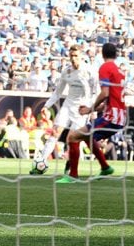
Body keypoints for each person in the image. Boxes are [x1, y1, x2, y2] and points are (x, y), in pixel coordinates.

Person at [58, 43, 125, 183]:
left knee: (73, 137)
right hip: (119, 116)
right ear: (116, 54)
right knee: (86, 136)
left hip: (111, 117)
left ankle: (73, 175)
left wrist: (90, 109)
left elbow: (104, 93)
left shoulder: (105, 68)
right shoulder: (119, 71)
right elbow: (111, 98)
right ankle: (105, 167)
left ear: (102, 53)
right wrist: (98, 109)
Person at [30, 45, 97, 175]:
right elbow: (58, 92)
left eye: (76, 56)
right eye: (71, 56)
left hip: (81, 108)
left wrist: (91, 109)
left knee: (73, 139)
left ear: (81, 56)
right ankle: (41, 163)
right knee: (55, 132)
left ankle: (69, 167)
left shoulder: (90, 71)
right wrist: (46, 106)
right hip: (68, 105)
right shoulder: (66, 71)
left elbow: (95, 91)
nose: (73, 59)